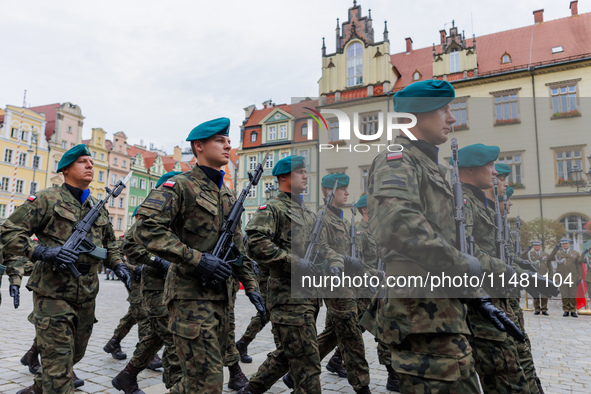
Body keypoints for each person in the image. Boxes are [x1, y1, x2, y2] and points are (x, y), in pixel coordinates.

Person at [364, 80, 519, 393]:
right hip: (419, 316)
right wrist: (466, 265)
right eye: (444, 110)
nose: (452, 118)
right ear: (417, 116)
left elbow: (451, 241)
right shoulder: (398, 159)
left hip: (445, 313)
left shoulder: (432, 168)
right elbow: (397, 223)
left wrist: (478, 297)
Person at [132, 118, 262, 393]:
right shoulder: (181, 185)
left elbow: (237, 250)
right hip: (190, 298)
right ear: (199, 146)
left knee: (196, 383)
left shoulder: (228, 195)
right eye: (220, 140)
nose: (228, 145)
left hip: (222, 301)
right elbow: (145, 227)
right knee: (208, 383)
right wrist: (197, 259)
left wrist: (251, 286)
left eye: (228, 140)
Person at [1, 144, 132, 394]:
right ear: (66, 169)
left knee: (74, 354)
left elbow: (110, 243)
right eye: (83, 161)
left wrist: (118, 265)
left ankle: (37, 389)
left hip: (86, 292)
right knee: (59, 368)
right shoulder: (47, 199)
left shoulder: (98, 206)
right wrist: (42, 251)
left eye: (91, 162)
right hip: (52, 292)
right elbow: (8, 232)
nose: (90, 166)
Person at [238, 155, 322, 394]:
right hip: (287, 298)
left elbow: (322, 249)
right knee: (308, 364)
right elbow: (254, 243)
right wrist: (294, 262)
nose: (306, 176)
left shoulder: (306, 213)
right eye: (300, 172)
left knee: (288, 354)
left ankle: (250, 390)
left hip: (307, 297)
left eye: (306, 172)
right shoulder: (273, 208)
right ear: (284, 177)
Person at [354, 195, 399, 392]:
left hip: (382, 285)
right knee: (376, 330)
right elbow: (357, 263)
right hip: (366, 288)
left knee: (357, 329)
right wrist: (377, 274)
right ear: (365, 210)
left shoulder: (379, 231)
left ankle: (337, 360)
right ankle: (393, 375)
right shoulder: (358, 232)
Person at [549, 238, 584, 317]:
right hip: (562, 277)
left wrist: (580, 278)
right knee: (564, 294)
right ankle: (566, 310)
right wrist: (555, 249)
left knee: (572, 294)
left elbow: (579, 266)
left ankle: (572, 310)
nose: (564, 245)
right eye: (562, 244)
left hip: (572, 277)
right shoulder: (558, 253)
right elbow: (550, 258)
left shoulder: (575, 253)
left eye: (566, 243)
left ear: (569, 244)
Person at [521, 240, 553, 315]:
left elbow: (550, 267)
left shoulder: (545, 255)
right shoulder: (530, 254)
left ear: (540, 246)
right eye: (535, 246)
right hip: (534, 276)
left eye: (538, 245)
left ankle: (544, 309)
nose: (536, 247)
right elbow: (521, 256)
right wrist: (527, 250)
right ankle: (537, 308)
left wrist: (551, 276)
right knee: (535, 293)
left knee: (544, 293)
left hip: (544, 276)